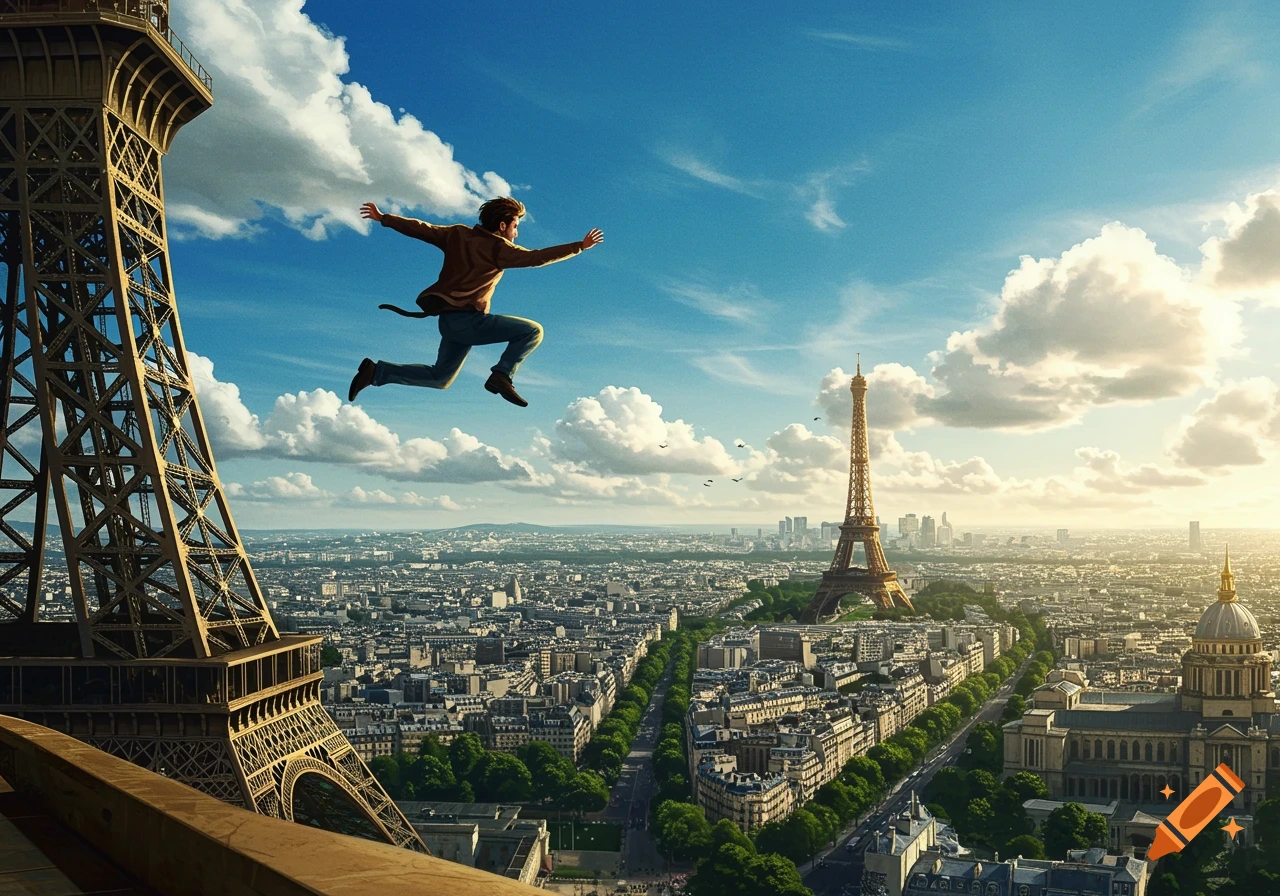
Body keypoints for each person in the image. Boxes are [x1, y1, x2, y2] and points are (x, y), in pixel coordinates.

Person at [348, 197, 603, 408]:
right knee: (532, 331)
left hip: (449, 324)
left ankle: (377, 372)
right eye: (516, 225)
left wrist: (384, 218)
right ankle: (502, 375)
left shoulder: (457, 234)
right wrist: (579, 246)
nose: (517, 232)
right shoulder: (500, 249)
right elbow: (536, 258)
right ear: (503, 226)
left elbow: (422, 229)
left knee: (440, 378)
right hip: (468, 322)